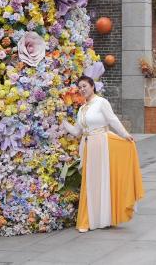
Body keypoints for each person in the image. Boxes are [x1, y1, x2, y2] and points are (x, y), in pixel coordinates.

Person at [62, 75, 144, 232]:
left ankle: (103, 219)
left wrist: (125, 134)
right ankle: (91, 219)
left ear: (92, 86)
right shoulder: (82, 109)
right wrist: (63, 122)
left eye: (85, 86)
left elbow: (112, 120)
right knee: (90, 182)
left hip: (101, 144)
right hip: (87, 146)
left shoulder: (101, 102)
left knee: (101, 181)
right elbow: (77, 131)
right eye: (80, 87)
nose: (82, 89)